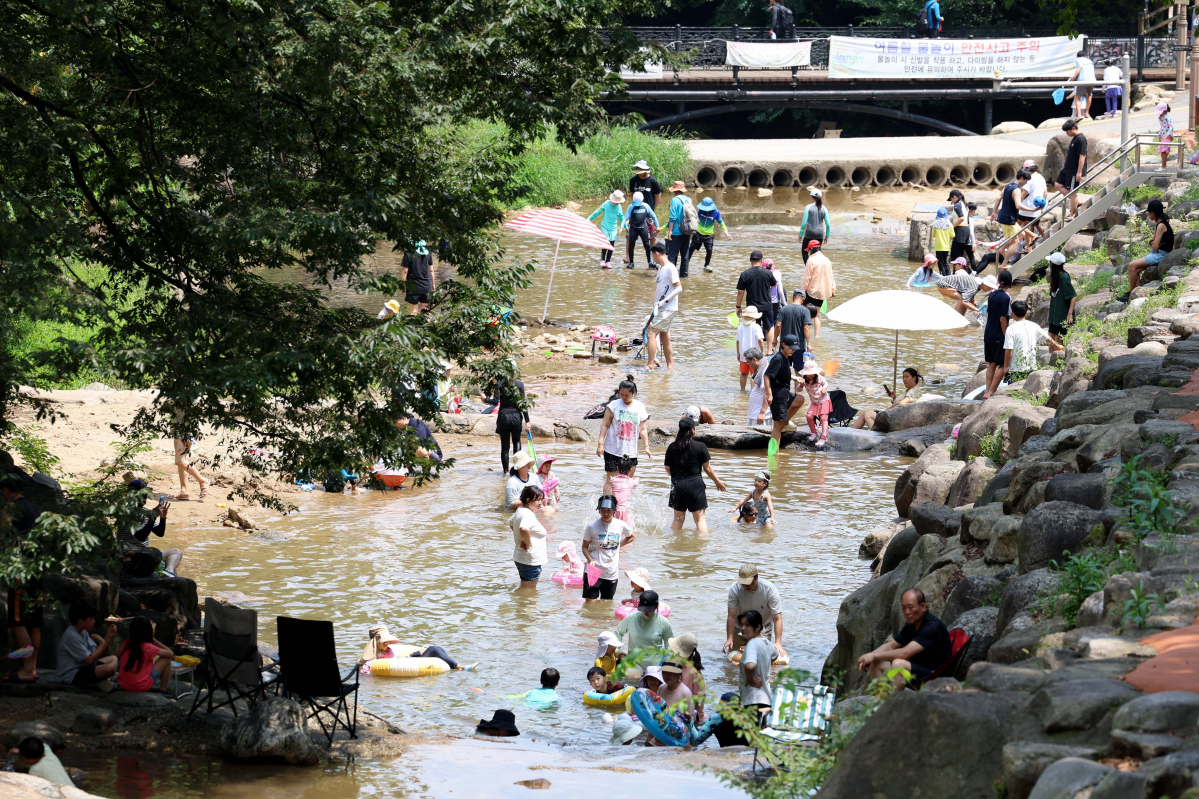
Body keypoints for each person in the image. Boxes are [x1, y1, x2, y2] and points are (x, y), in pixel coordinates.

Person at [857, 588, 951, 687]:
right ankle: (884, 701)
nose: (907, 612)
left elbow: (904, 654)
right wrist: (869, 656)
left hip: (935, 675)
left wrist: (873, 656)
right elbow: (890, 645)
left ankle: (895, 701)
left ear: (923, 606)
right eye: (904, 607)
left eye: (911, 607)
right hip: (918, 668)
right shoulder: (912, 624)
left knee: (898, 665)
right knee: (875, 664)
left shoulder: (932, 627)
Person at [2, 476, 42, 682]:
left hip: (21, 571)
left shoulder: (15, 508)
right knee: (34, 622)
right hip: (37, 570)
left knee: (18, 622)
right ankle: (32, 668)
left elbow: (3, 530)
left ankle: (26, 669)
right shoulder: (33, 507)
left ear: (8, 490)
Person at [664, 417, 727, 534]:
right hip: (695, 486)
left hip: (677, 486)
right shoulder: (700, 446)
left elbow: (667, 468)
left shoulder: (672, 447)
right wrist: (717, 482)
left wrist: (677, 477)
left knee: (677, 521)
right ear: (693, 430)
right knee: (700, 521)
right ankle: (701, 549)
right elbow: (707, 468)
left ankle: (674, 546)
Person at [596, 376, 652, 492]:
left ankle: (623, 506)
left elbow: (643, 429)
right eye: (621, 394)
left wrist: (646, 447)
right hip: (612, 449)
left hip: (630, 451)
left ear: (633, 393)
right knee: (611, 479)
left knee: (627, 481)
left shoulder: (639, 407)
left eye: (627, 395)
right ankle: (608, 507)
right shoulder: (613, 406)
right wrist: (600, 443)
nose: (624, 397)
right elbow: (605, 425)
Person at [582, 496, 636, 601]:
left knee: (606, 603)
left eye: (609, 511)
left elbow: (631, 536)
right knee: (590, 604)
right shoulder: (592, 526)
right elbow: (584, 547)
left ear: (614, 510)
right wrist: (590, 560)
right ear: (599, 511)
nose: (606, 514)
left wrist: (618, 545)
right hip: (593, 570)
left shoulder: (620, 525)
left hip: (611, 572)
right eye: (603, 511)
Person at [725, 564, 785, 658]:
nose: (746, 586)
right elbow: (731, 616)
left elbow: (777, 618)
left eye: (749, 583)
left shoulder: (770, 590)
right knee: (733, 662)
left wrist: (778, 643)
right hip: (741, 629)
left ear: (756, 577)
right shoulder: (735, 589)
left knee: (761, 659)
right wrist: (729, 638)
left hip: (762, 630)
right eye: (743, 583)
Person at [57, 599, 118, 689]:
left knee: (113, 659)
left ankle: (103, 681)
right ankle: (102, 680)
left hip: (85, 667)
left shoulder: (83, 632)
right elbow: (89, 660)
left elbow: (95, 654)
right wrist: (102, 643)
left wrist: (108, 636)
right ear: (80, 620)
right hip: (72, 674)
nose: (94, 621)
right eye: (91, 619)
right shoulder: (71, 635)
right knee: (109, 669)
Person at [358, 625, 476, 671]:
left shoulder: (387, 650)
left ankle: (454, 667)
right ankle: (460, 667)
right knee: (433, 649)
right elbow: (366, 666)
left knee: (437, 647)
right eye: (383, 640)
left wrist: (415, 654)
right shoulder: (374, 654)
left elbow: (396, 658)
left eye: (387, 639)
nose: (386, 642)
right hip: (403, 665)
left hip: (406, 661)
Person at [1124, 199, 1175, 299]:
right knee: (1136, 270)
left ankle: (1129, 293)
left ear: (1153, 213)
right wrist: (1154, 242)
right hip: (1157, 253)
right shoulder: (1159, 224)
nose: (1147, 214)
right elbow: (1153, 241)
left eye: (1148, 212)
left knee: (1131, 265)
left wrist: (1154, 243)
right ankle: (1135, 292)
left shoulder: (1161, 226)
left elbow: (1154, 245)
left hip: (1161, 254)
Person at [851, 367, 924, 430]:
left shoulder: (915, 391)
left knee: (868, 415)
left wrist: (886, 411)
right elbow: (900, 404)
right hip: (894, 416)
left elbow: (901, 403)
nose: (904, 379)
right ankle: (850, 432)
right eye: (903, 377)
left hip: (898, 420)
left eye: (906, 377)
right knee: (864, 412)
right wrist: (894, 397)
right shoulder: (909, 391)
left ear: (914, 378)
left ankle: (876, 435)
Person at [764, 335, 803, 449]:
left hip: (785, 392)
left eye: (794, 348)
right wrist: (769, 395)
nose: (793, 350)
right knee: (777, 427)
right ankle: (773, 455)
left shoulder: (786, 357)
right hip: (778, 395)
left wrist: (794, 378)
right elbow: (766, 376)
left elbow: (781, 373)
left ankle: (785, 422)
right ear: (784, 345)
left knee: (800, 399)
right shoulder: (778, 358)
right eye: (791, 347)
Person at [736, 610, 776, 721]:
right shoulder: (766, 642)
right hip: (767, 700)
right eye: (742, 624)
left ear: (758, 627)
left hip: (753, 701)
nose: (743, 628)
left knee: (751, 737)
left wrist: (750, 679)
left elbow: (750, 666)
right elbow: (775, 655)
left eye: (747, 625)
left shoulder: (752, 644)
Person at [485, 373, 529, 474]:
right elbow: (523, 404)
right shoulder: (520, 384)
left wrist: (485, 399)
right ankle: (518, 470)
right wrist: (527, 420)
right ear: (515, 373)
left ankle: (505, 472)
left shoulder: (499, 384)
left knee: (505, 447)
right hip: (516, 417)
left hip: (503, 417)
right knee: (517, 442)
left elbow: (496, 402)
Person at [647, 243, 681, 370]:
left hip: (668, 308)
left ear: (656, 253)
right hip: (661, 309)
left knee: (651, 334)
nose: (652, 259)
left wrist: (664, 302)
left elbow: (679, 288)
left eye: (652, 255)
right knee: (665, 337)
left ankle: (650, 365)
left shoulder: (670, 268)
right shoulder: (661, 268)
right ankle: (670, 367)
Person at [117, 617, 173, 693]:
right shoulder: (147, 647)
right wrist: (155, 641)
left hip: (123, 684)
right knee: (167, 659)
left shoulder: (125, 644)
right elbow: (170, 653)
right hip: (141, 686)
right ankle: (163, 689)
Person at [736, 251, 778, 347]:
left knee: (753, 327)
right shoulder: (767, 273)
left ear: (750, 260)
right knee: (769, 327)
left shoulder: (744, 274)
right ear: (761, 260)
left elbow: (740, 292)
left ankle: (756, 350)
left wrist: (738, 306)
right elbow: (774, 285)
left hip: (752, 308)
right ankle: (770, 350)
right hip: (767, 305)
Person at [983, 269, 1014, 399]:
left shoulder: (992, 295)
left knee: (991, 363)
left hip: (988, 333)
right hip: (998, 336)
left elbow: (989, 314)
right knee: (1002, 365)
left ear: (999, 281)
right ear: (1010, 282)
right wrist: (1006, 335)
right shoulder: (1006, 297)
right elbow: (1003, 319)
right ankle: (991, 392)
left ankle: (986, 391)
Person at [510, 485, 547, 589]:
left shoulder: (520, 510)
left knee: (525, 589)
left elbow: (511, 523)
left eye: (541, 500)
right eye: (538, 500)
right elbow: (523, 529)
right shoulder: (527, 514)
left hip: (522, 558)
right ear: (528, 500)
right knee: (529, 591)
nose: (540, 503)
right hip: (529, 560)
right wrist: (528, 543)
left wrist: (520, 539)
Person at [1003, 300, 1050, 383]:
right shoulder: (1034, 326)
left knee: (1013, 392)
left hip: (1015, 369)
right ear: (1026, 313)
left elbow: (1008, 350)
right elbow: (1048, 339)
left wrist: (1006, 367)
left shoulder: (1011, 329)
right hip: (1031, 367)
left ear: (1012, 313)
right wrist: (1057, 346)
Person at [991, 169, 1029, 265]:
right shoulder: (1016, 189)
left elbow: (999, 197)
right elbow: (1018, 205)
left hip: (1003, 217)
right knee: (1015, 241)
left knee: (1021, 234)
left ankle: (1002, 248)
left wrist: (994, 212)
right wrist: (1033, 210)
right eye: (1026, 180)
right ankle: (1004, 264)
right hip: (1008, 219)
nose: (1026, 183)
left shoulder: (1008, 185)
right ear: (1021, 178)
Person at [668, 633, 707, 722]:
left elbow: (700, 698)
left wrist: (699, 717)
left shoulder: (694, 673)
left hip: (685, 715)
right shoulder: (673, 665)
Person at [1055, 119, 1087, 222]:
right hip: (1067, 169)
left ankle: (1073, 214)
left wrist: (1079, 172)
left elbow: (1082, 156)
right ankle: (1076, 203)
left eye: (1067, 131)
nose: (1067, 133)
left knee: (1072, 192)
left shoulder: (1081, 139)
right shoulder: (1075, 138)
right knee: (1058, 185)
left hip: (1074, 171)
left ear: (1073, 128)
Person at [802, 241, 836, 339]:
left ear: (811, 249)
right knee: (816, 315)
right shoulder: (827, 260)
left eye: (808, 250)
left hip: (810, 290)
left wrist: (802, 291)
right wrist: (832, 290)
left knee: (805, 314)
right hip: (822, 291)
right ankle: (816, 336)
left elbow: (807, 278)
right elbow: (831, 277)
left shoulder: (811, 260)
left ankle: (804, 335)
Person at [9, 738, 74, 788]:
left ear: (28, 759)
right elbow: (42, 744)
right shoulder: (47, 750)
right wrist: (19, 750)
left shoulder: (35, 770)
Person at [690, 196, 732, 273]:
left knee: (709, 250)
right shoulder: (700, 211)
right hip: (698, 233)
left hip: (709, 235)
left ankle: (706, 265)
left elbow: (721, 223)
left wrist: (726, 232)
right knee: (691, 249)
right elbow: (695, 219)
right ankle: (685, 264)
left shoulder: (716, 212)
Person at [797, 362, 832, 448]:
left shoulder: (820, 378)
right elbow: (799, 390)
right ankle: (814, 432)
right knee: (809, 416)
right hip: (814, 402)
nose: (810, 376)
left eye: (812, 374)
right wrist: (801, 385)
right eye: (808, 374)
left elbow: (826, 383)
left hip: (823, 400)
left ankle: (823, 438)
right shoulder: (804, 380)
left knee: (823, 418)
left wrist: (824, 389)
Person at [665, 181, 694, 278]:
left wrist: (670, 231)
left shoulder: (675, 200)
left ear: (675, 190)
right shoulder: (689, 200)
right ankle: (684, 275)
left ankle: (671, 276)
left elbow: (673, 217)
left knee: (672, 254)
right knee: (685, 255)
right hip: (687, 231)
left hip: (677, 231)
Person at [1047, 252, 1077, 349]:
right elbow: (1053, 297)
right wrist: (1050, 314)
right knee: (1050, 338)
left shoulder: (1064, 277)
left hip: (1062, 316)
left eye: (1050, 261)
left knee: (1060, 339)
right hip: (1054, 316)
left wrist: (1070, 314)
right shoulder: (1054, 277)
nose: (1049, 263)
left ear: (1053, 264)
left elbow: (1073, 296)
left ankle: (1058, 360)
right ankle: (1050, 360)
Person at [589, 190, 625, 268]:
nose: (617, 203)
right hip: (605, 226)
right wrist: (589, 219)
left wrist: (625, 227)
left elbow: (621, 217)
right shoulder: (606, 203)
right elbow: (597, 212)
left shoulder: (619, 207)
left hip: (613, 228)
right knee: (605, 243)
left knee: (611, 245)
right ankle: (602, 259)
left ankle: (608, 261)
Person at [624, 191, 660, 269]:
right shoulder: (631, 207)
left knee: (647, 245)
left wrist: (657, 226)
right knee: (631, 245)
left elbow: (653, 215)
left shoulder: (646, 206)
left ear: (642, 199)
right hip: (633, 229)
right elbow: (625, 217)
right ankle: (631, 263)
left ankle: (650, 263)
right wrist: (625, 225)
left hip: (643, 228)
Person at [778, 290, 812, 364]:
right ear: (803, 299)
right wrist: (809, 343)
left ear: (793, 297)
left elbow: (778, 325)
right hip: (799, 345)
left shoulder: (783, 309)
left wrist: (774, 339)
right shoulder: (805, 311)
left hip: (785, 345)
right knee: (799, 370)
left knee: (784, 368)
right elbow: (806, 327)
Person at [736, 306, 766, 391]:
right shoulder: (756, 327)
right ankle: (753, 391)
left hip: (743, 354)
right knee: (754, 374)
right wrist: (762, 351)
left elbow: (738, 341)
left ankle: (742, 390)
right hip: (754, 355)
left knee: (743, 373)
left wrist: (738, 353)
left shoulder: (740, 327)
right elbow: (760, 340)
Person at [400, 240, 435, 313]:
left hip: (413, 287)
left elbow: (405, 271)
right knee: (426, 312)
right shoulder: (428, 254)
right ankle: (427, 324)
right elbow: (431, 270)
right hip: (427, 286)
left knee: (413, 312)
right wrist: (433, 284)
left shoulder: (409, 254)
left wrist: (403, 286)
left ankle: (413, 324)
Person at [1017, 160, 1047, 244]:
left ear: (1027, 168)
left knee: (1015, 225)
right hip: (1036, 208)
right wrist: (1042, 207)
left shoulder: (1029, 179)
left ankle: (1033, 235)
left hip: (1026, 208)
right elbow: (1045, 193)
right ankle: (1029, 248)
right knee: (1026, 226)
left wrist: (1017, 204)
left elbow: (1023, 194)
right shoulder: (1041, 178)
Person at [798, 188, 830, 263]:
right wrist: (827, 236)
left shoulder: (808, 207)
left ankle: (808, 269)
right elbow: (828, 224)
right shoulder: (824, 208)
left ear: (811, 197)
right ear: (821, 197)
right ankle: (817, 270)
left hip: (809, 233)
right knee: (817, 253)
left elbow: (804, 223)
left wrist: (800, 234)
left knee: (804, 251)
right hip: (820, 234)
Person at [172, 434, 208, 501]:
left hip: (186, 428)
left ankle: (202, 481)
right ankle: (184, 491)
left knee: (179, 460)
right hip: (177, 426)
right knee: (181, 460)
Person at [763, 258, 785, 354]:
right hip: (774, 302)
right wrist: (784, 302)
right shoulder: (777, 274)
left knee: (763, 324)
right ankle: (770, 348)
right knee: (772, 324)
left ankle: (761, 348)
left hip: (762, 301)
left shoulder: (761, 274)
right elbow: (780, 290)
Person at [610, 458, 638, 530]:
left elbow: (610, 480)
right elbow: (636, 482)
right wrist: (637, 479)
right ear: (630, 470)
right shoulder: (631, 481)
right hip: (625, 512)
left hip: (614, 511)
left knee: (614, 531)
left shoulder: (613, 480)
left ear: (617, 468)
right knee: (629, 534)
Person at [1068, 50, 1096, 119]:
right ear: (1085, 56)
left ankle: (1079, 115)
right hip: (1092, 80)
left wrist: (1073, 77)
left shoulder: (1078, 60)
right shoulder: (1090, 61)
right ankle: (1087, 113)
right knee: (1089, 95)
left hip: (1083, 81)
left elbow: (1080, 67)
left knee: (1077, 97)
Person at [947, 189, 972, 266]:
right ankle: (971, 272)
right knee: (963, 255)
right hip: (966, 230)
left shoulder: (957, 205)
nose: (951, 201)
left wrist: (952, 226)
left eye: (951, 199)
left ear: (954, 197)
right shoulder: (964, 204)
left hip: (960, 230)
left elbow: (962, 218)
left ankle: (956, 275)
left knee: (955, 256)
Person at [744, 347, 768, 427]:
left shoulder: (764, 371)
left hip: (760, 416)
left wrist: (762, 412)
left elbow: (768, 393)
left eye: (748, 362)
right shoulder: (760, 369)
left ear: (754, 359)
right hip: (754, 414)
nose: (748, 365)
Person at [930, 207, 953, 276]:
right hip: (946, 247)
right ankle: (948, 275)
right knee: (945, 261)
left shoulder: (935, 224)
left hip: (938, 247)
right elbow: (953, 235)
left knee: (940, 262)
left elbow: (933, 235)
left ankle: (942, 275)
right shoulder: (950, 225)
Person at [1157, 102, 1175, 170]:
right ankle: (1164, 166)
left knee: (1164, 151)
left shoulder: (1168, 117)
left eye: (1160, 112)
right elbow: (1162, 127)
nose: (1159, 113)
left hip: (1168, 135)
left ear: (1165, 111)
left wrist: (1166, 135)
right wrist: (1159, 135)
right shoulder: (1161, 118)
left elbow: (1171, 127)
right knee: (1162, 151)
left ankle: (1163, 166)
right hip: (1163, 135)